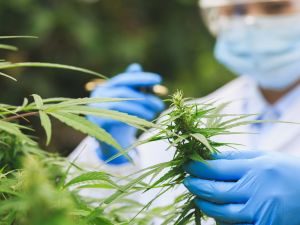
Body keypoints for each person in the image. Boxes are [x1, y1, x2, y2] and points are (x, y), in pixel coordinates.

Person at [69, 0, 300, 223]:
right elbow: (110, 215)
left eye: (275, 7)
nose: (252, 22)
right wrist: (112, 156)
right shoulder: (186, 121)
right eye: (236, 10)